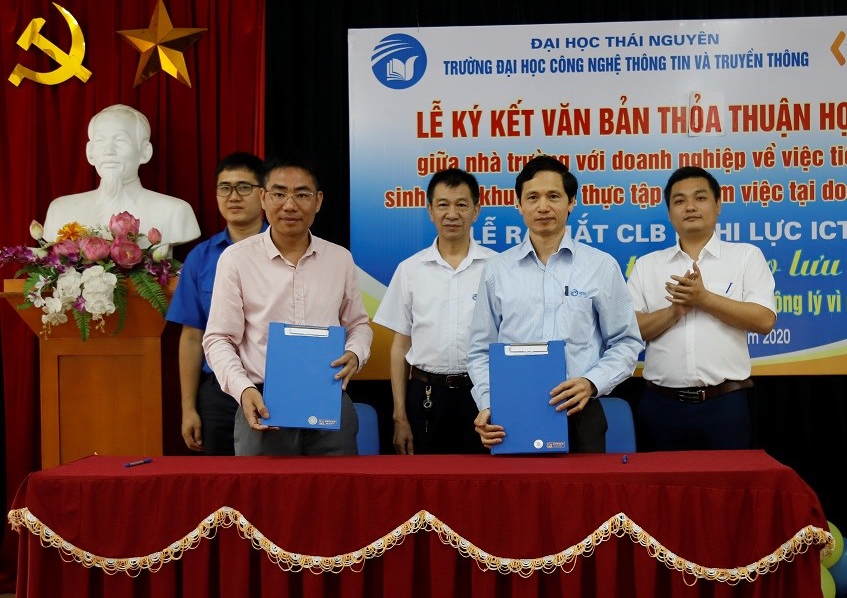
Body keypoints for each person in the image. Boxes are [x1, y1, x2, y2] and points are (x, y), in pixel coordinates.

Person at [467, 155, 643, 453]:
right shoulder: (497, 270)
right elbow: (480, 350)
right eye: (532, 197)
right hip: (513, 414)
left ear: (571, 202)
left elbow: (626, 342)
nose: (543, 206)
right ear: (518, 205)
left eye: (553, 196)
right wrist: (489, 404)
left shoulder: (600, 266)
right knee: (520, 499)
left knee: (584, 499)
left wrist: (591, 382)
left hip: (581, 411)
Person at [202, 155, 373, 455]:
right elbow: (218, 338)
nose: (290, 205)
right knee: (263, 500)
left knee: (335, 497)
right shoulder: (236, 259)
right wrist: (244, 390)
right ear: (263, 198)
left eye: (302, 194)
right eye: (279, 194)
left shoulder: (339, 259)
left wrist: (356, 353)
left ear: (318, 201)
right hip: (262, 401)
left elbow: (358, 324)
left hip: (329, 400)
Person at [626, 166, 777, 451]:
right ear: (669, 213)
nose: (690, 207)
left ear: (718, 205)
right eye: (679, 201)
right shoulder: (647, 266)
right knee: (662, 494)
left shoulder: (745, 256)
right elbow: (630, 329)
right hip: (660, 408)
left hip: (725, 406)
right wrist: (674, 312)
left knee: (728, 493)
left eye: (700, 198)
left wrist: (704, 299)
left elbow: (764, 319)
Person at [373, 168, 496, 454]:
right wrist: (399, 415)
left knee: (482, 486)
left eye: (461, 204)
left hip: (483, 396)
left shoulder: (497, 268)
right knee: (427, 489)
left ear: (476, 210)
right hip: (426, 395)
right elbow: (400, 346)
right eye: (443, 204)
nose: (451, 214)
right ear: (430, 210)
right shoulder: (410, 269)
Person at [165, 152, 267, 455]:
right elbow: (192, 337)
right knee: (221, 488)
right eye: (225, 187)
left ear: (263, 194)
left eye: (243, 187)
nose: (233, 197)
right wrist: (188, 408)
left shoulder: (286, 250)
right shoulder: (201, 257)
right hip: (219, 390)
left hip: (272, 387)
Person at [42, 103, 200, 249]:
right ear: (89, 153)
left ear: (145, 152)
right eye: (100, 142)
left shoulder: (175, 212)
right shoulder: (61, 211)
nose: (108, 151)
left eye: (120, 141)